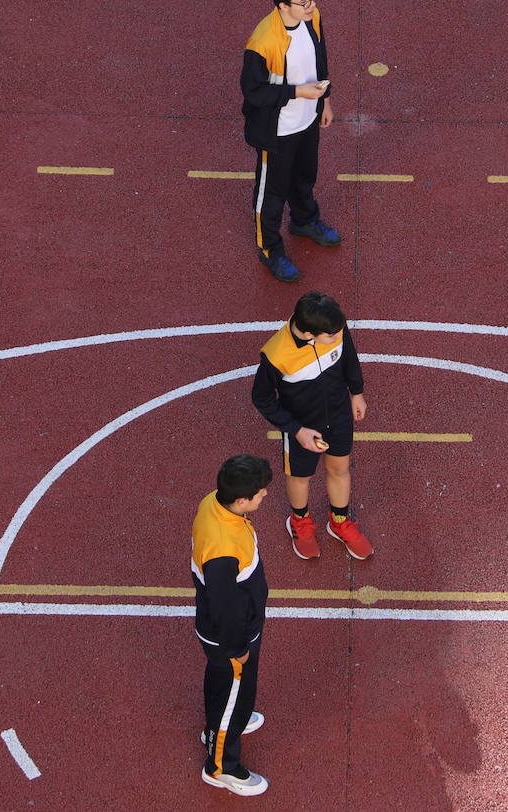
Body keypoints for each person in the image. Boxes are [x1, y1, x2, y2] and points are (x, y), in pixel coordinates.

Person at [251, 291, 373, 560]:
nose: (339, 338)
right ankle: (300, 521)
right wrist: (296, 430)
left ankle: (339, 522)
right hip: (302, 427)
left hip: (339, 416)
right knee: (300, 477)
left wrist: (357, 392)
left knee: (339, 468)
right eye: (332, 337)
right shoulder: (276, 354)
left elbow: (349, 357)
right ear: (308, 334)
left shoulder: (333, 327)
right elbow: (261, 398)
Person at [241, 0, 341, 283]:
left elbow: (319, 59)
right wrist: (298, 92)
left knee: (305, 176)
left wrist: (325, 99)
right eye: (303, 1)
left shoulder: (312, 18)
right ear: (283, 6)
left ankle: (304, 221)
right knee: (271, 194)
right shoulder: (263, 42)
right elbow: (253, 92)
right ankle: (270, 249)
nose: (311, 4)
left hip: (308, 119)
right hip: (278, 131)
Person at [193, 454, 272, 797]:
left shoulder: (213, 502)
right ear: (241, 500)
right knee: (234, 692)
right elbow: (224, 606)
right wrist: (237, 648)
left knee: (221, 684)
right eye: (260, 493)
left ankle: (217, 728)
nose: (265, 495)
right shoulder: (223, 551)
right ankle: (221, 767)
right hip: (230, 637)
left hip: (219, 634)